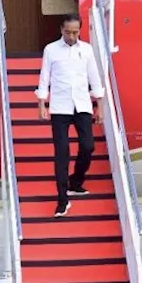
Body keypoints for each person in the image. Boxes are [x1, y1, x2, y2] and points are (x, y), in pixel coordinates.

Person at [36, 14, 104, 217]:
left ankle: (76, 181)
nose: (72, 36)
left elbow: (94, 76)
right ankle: (62, 199)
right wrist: (42, 103)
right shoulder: (51, 50)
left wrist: (99, 104)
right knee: (62, 153)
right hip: (59, 107)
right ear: (61, 30)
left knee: (88, 145)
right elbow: (44, 77)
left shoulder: (87, 49)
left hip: (82, 104)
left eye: (75, 32)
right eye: (68, 32)